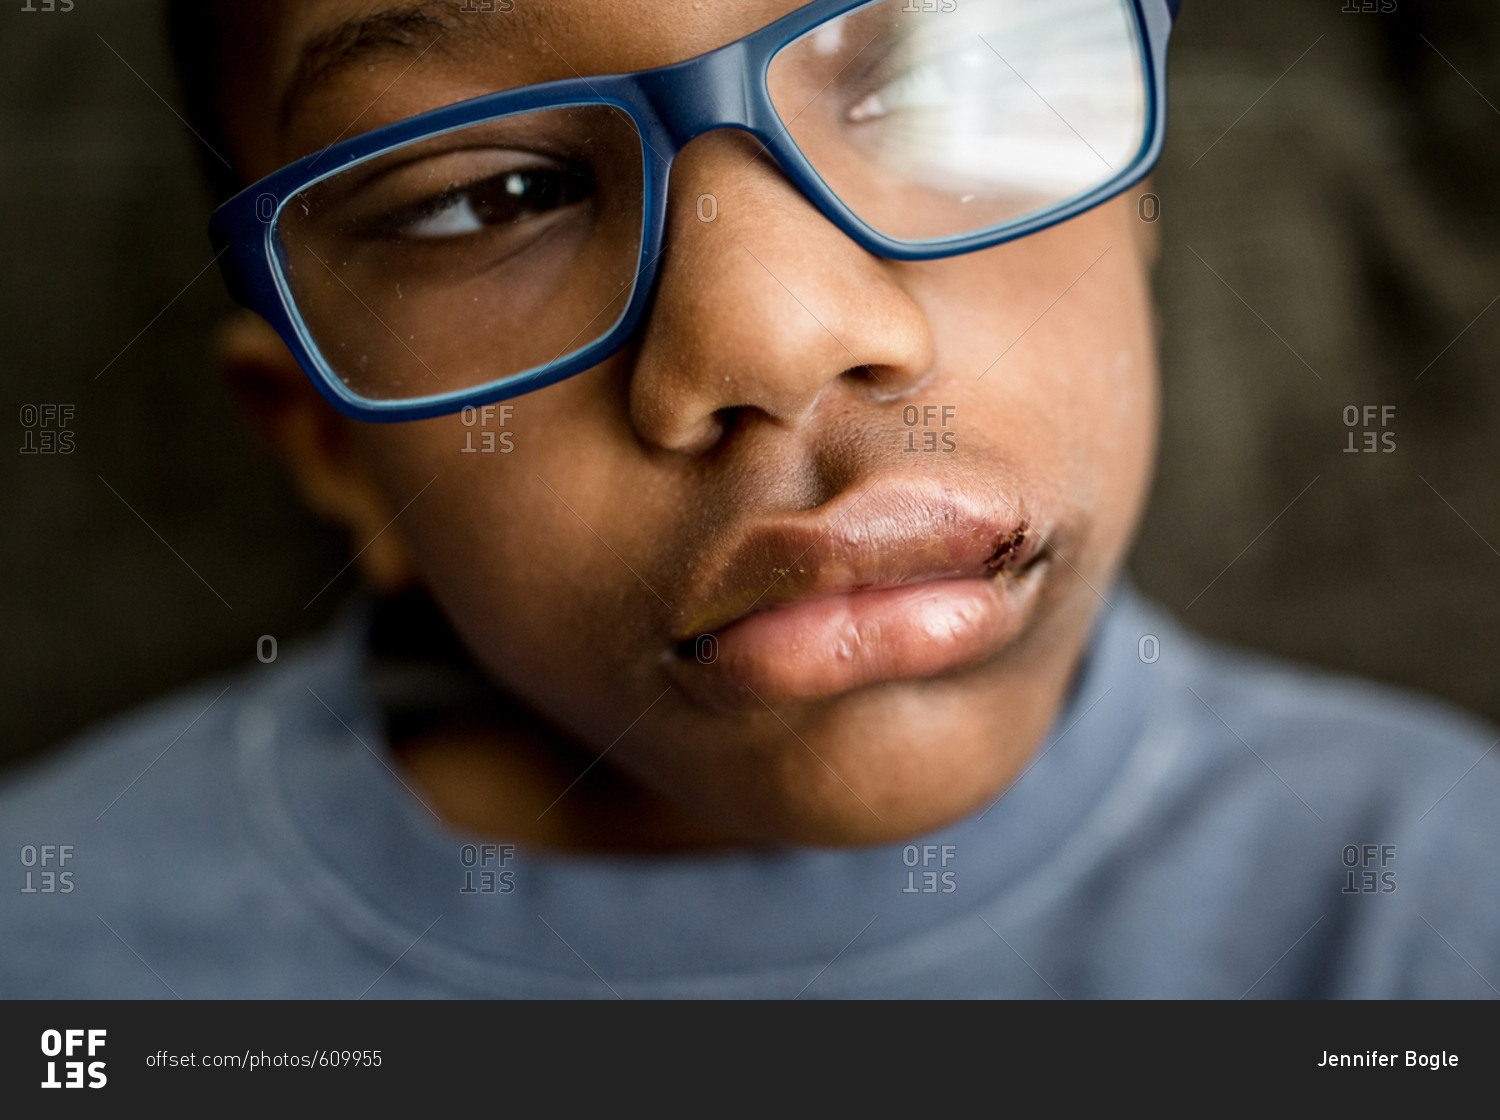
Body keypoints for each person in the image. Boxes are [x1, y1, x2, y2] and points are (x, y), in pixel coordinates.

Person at [3, 0, 1497, 998]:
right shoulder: (59, 948)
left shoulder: (1427, 904)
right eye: (493, 196)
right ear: (330, 451)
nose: (775, 335)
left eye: (931, 78)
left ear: (1143, 212)